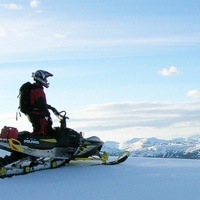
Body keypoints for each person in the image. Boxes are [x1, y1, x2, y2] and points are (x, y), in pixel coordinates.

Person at [27, 70, 53, 135]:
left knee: (39, 131)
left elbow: (37, 102)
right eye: (45, 79)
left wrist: (49, 107)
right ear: (41, 78)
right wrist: (48, 115)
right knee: (42, 132)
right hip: (37, 115)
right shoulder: (38, 90)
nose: (46, 81)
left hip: (33, 114)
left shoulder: (34, 88)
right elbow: (41, 104)